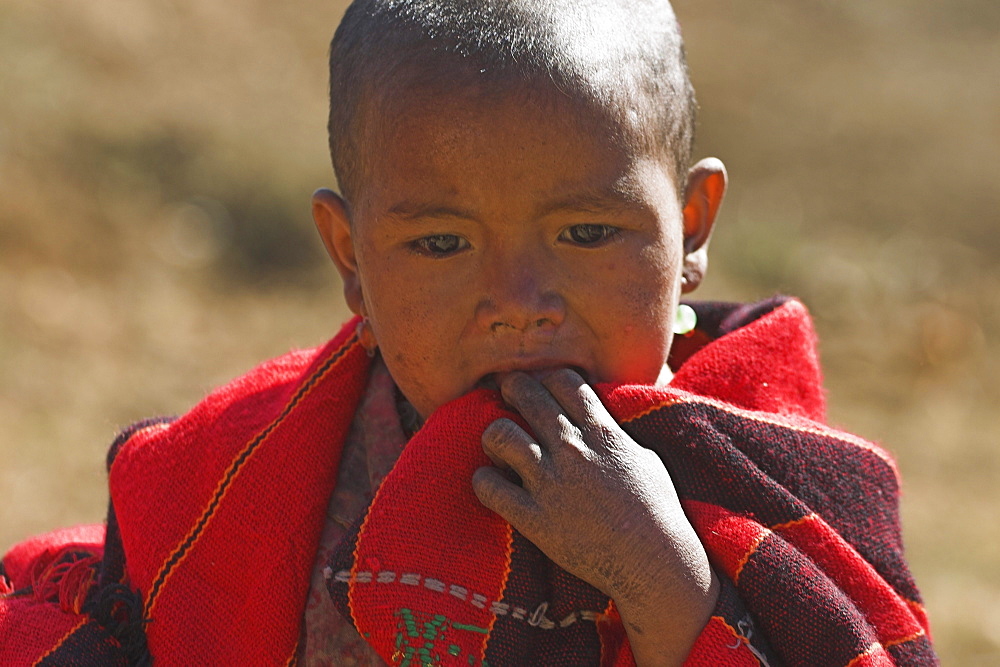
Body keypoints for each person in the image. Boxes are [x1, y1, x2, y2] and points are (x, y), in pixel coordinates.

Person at [0, 1, 937, 665]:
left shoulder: (768, 470)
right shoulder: (257, 470)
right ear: (351, 258)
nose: (519, 300)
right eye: (441, 242)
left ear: (691, 228)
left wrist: (663, 576)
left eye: (586, 233)